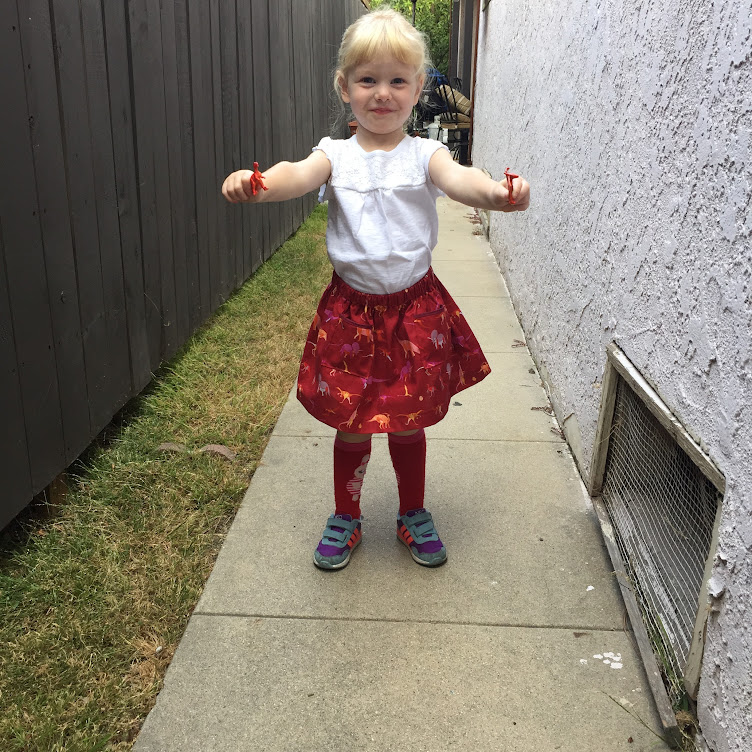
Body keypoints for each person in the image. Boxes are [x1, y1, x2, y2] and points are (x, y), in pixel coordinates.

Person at [222, 8, 530, 572]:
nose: (382, 93)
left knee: (408, 420)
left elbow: (463, 181)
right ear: (345, 87)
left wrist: (497, 195)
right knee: (351, 422)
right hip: (351, 314)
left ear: (417, 89)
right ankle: (347, 515)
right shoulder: (334, 155)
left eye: (397, 80)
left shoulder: (426, 155)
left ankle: (413, 512)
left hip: (415, 310)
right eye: (367, 79)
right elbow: (295, 173)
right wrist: (259, 185)